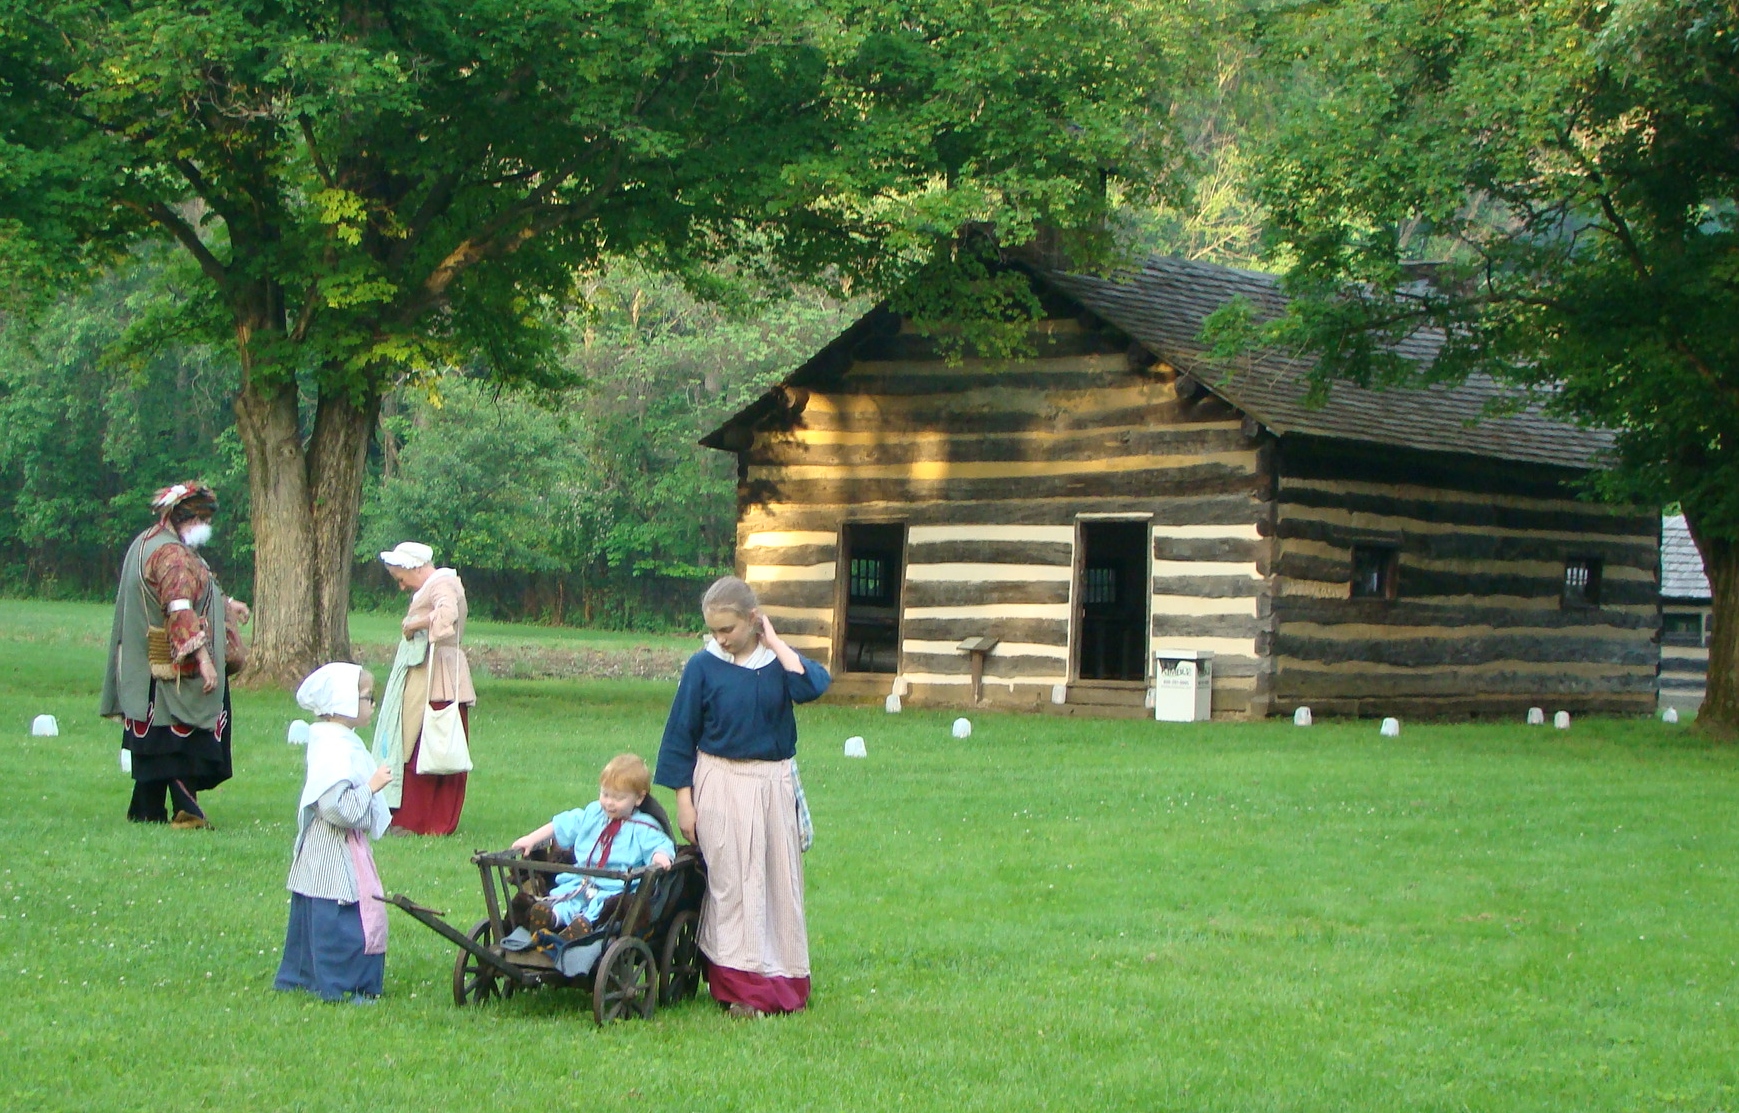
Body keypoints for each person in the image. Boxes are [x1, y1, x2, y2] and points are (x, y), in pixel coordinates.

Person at [655, 576, 829, 1017]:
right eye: (714, 630)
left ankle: (783, 982)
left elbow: (813, 686)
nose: (721, 638)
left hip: (772, 786)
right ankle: (738, 989)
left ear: (753, 619)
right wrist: (684, 802)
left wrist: (775, 642)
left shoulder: (777, 665)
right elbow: (680, 736)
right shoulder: (702, 667)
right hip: (721, 784)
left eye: (728, 629)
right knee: (732, 884)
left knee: (776, 882)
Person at [99, 481, 249, 829]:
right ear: (188, 518)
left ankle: (146, 810)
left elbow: (188, 588)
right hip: (170, 668)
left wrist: (226, 604)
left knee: (157, 744)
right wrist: (205, 660)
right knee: (180, 742)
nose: (207, 526)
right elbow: (179, 607)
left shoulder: (148, 542)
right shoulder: (173, 555)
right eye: (203, 519)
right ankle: (187, 812)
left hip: (146, 670)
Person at [275, 663, 394, 1004]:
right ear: (344, 702)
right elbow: (335, 808)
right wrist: (371, 788)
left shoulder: (340, 741)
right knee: (341, 917)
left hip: (342, 846)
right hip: (332, 849)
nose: (372, 704)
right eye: (367, 697)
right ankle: (339, 984)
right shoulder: (334, 749)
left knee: (344, 911)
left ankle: (311, 977)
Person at [509, 754, 676, 937]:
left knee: (603, 906)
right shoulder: (593, 814)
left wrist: (660, 856)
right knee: (567, 898)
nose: (609, 802)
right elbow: (561, 824)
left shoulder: (643, 827)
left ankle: (583, 927)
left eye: (619, 798)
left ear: (638, 798)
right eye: (605, 794)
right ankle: (552, 918)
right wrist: (531, 839)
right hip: (583, 880)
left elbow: (659, 844)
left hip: (615, 887)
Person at [370, 541, 474, 835]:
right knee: (418, 743)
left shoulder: (442, 583)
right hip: (427, 672)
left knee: (431, 744)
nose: (402, 586)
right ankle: (415, 817)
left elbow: (446, 614)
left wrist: (415, 624)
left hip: (436, 674)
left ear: (414, 568)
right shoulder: (439, 584)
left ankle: (421, 820)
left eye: (401, 578)